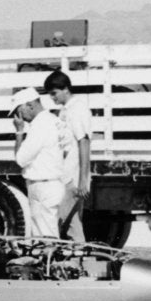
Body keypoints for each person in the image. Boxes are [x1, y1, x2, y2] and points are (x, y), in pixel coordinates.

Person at [10, 88, 65, 238]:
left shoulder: (39, 125)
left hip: (42, 185)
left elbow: (21, 159)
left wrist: (19, 132)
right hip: (53, 182)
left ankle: (49, 260)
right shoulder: (54, 120)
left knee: (44, 235)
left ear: (30, 105)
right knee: (49, 231)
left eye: (19, 110)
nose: (19, 117)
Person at [44, 70, 92, 242]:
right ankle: (84, 265)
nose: (53, 98)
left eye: (54, 93)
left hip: (72, 179)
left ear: (66, 89)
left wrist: (82, 180)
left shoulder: (77, 109)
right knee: (73, 225)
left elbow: (84, 142)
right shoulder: (66, 110)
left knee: (55, 221)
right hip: (67, 176)